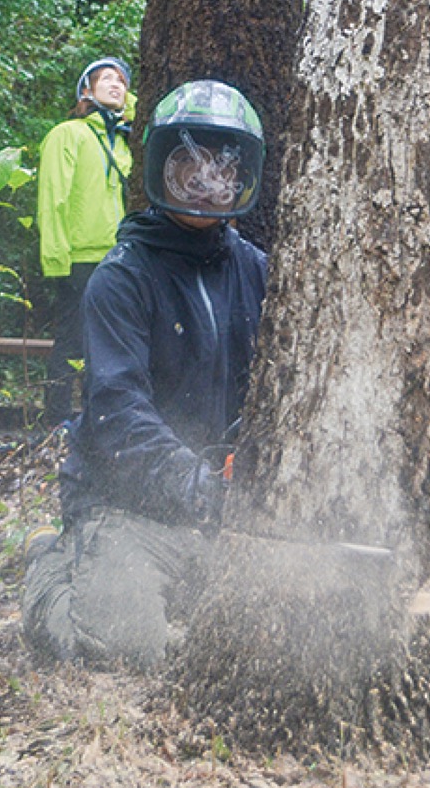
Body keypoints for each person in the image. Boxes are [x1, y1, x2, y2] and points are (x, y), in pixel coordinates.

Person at [22, 79, 267, 669]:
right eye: (190, 165)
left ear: (243, 177)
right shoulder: (123, 276)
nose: (208, 182)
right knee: (122, 647)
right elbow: (118, 414)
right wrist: (203, 490)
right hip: (125, 503)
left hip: (217, 505)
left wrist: (246, 487)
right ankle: (51, 566)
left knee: (283, 628)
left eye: (223, 167)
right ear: (161, 169)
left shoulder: (257, 270)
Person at [36, 57, 133, 425]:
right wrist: (56, 259)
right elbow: (53, 197)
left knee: (112, 342)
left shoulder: (125, 142)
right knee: (71, 339)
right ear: (86, 91)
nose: (115, 85)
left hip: (118, 257)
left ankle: (99, 418)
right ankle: (56, 419)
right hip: (78, 257)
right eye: (105, 79)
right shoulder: (68, 133)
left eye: (122, 81)